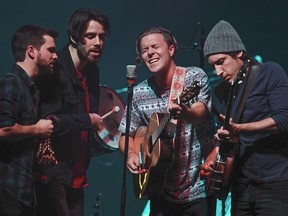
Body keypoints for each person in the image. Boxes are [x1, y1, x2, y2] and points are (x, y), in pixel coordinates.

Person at [118, 27, 217, 216]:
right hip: (160, 190)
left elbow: (201, 111)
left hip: (198, 189)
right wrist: (131, 153)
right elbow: (125, 135)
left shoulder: (193, 78)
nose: (150, 53)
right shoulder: (139, 93)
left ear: (171, 49)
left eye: (155, 46)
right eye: (144, 50)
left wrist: (185, 111)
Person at [201, 20, 288, 215]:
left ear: (238, 52)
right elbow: (228, 135)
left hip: (275, 181)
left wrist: (241, 128)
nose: (218, 72)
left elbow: (284, 119)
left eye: (221, 62)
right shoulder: (221, 91)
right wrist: (213, 156)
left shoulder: (269, 72)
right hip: (239, 183)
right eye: (213, 65)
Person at [35, 8, 111, 216]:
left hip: (77, 173)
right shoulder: (54, 68)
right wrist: (87, 120)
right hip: (53, 174)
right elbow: (48, 122)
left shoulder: (92, 70)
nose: (98, 43)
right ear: (74, 37)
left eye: (102, 37)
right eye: (90, 36)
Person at [0, 25, 57, 216]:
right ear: (31, 51)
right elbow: (3, 129)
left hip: (23, 190)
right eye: (50, 50)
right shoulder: (11, 81)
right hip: (8, 190)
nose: (55, 56)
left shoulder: (30, 89)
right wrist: (37, 130)